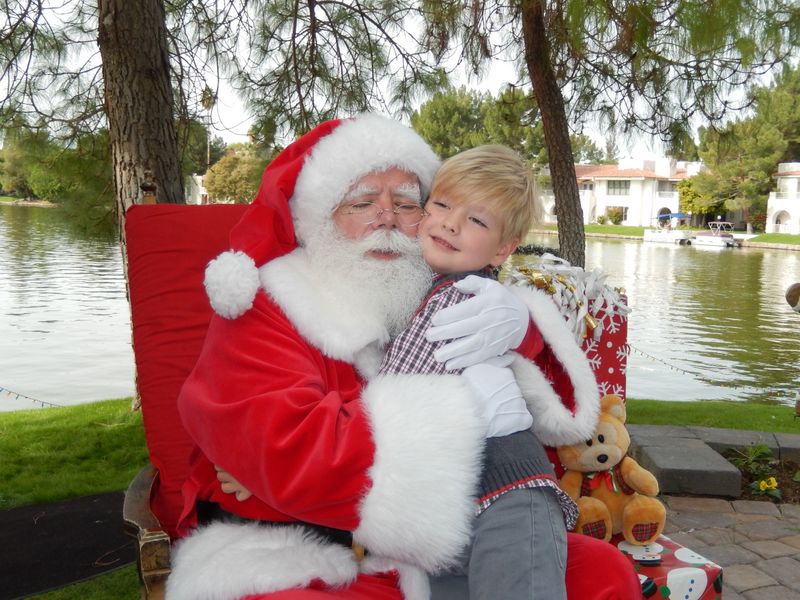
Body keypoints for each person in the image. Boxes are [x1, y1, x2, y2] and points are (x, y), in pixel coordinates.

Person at [166, 114, 641, 600]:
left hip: (438, 537)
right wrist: (462, 410)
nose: (387, 218)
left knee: (602, 572)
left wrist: (520, 325)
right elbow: (291, 447)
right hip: (295, 550)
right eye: (362, 202)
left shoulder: (426, 282)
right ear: (320, 217)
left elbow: (540, 396)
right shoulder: (269, 301)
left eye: (407, 203)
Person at [378, 145, 580, 599]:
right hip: (449, 500)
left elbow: (399, 387)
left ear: (504, 249)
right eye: (443, 205)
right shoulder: (418, 283)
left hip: (506, 490)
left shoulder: (463, 297)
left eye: (477, 220)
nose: (450, 223)